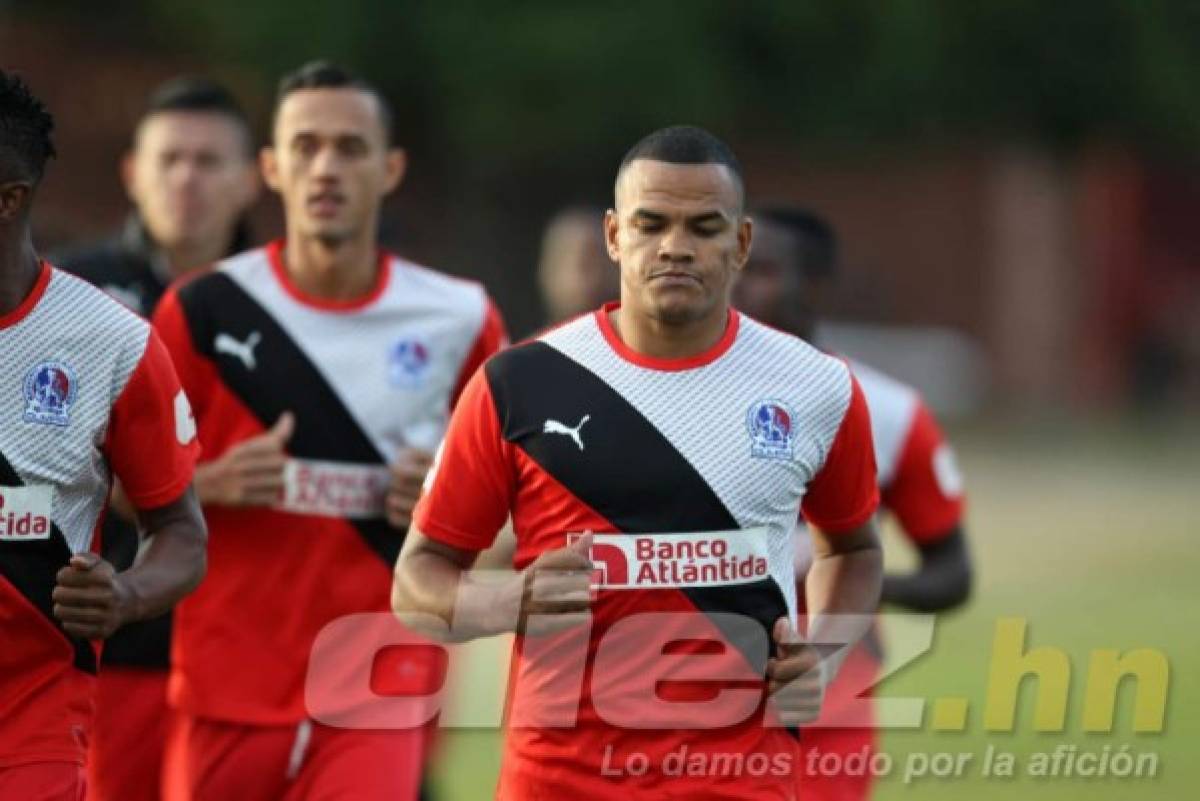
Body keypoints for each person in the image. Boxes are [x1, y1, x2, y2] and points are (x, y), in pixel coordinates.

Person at [393, 125, 883, 799]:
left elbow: (853, 549)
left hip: (741, 779)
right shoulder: (518, 383)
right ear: (614, 235)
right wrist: (508, 599)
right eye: (651, 223)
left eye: (703, 227)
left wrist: (821, 653)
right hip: (559, 779)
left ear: (740, 244)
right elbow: (416, 581)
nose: (675, 246)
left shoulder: (816, 385)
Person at [151, 61, 506, 801]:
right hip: (227, 677)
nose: (326, 168)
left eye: (350, 148)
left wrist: (446, 506)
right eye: (306, 146)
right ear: (272, 168)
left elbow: (515, 515)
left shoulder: (461, 316)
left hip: (377, 678)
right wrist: (209, 483)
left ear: (391, 167)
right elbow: (116, 489)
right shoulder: (202, 309)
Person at [0, 69, 206, 801]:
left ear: (9, 198)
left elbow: (181, 528)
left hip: (31, 717)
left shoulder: (110, 343)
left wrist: (126, 591)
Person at [53, 76, 259, 801]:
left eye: (208, 161)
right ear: (133, 174)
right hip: (119, 637)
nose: (187, 178)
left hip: (263, 646)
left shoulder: (286, 300)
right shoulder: (68, 294)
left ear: (251, 179)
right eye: (170, 158)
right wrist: (205, 486)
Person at [733, 206, 971, 800]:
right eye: (733, 263)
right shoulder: (679, 398)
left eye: (760, 269)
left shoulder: (888, 411)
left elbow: (953, 572)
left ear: (811, 284)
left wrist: (854, 583)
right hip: (679, 690)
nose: (736, 283)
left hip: (824, 705)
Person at [537, 205, 620, 323]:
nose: (594, 275)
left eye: (598, 258)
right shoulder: (535, 341)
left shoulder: (640, 338)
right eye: (565, 257)